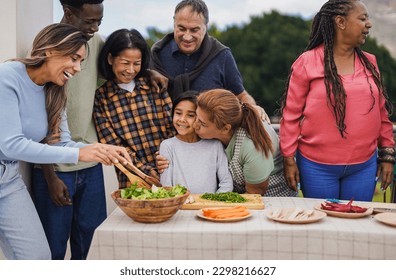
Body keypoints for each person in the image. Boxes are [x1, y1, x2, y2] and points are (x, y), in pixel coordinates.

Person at [31, 0, 168, 260]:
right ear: (69, 13)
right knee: (53, 248)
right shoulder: (46, 48)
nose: (94, 28)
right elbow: (36, 114)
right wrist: (49, 175)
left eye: (99, 22)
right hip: (54, 167)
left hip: (90, 163)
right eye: (89, 21)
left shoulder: (95, 43)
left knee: (92, 247)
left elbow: (122, 62)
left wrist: (148, 72)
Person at [0, 23, 130, 260]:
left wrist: (99, 149)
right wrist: (80, 154)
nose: (78, 68)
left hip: (7, 179)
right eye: (73, 58)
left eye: (81, 61)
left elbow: (62, 144)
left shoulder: (56, 91)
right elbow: (11, 144)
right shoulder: (7, 75)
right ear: (50, 50)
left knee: (38, 257)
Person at [279, 0, 395, 201]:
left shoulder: (371, 62)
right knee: (323, 228)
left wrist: (387, 155)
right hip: (316, 167)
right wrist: (289, 159)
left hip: (364, 166)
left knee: (357, 225)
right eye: (362, 18)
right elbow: (290, 115)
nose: (369, 24)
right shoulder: (307, 61)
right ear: (341, 22)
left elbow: (382, 113)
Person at [151, 0, 269, 121]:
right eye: (181, 28)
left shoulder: (222, 55)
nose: (187, 36)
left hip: (211, 136)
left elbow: (240, 95)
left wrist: (253, 108)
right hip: (165, 135)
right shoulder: (156, 54)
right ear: (174, 24)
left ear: (205, 28)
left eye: (194, 30)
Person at [93, 28, 176, 189]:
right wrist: (146, 171)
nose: (130, 70)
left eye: (136, 64)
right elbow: (114, 146)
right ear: (110, 59)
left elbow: (172, 128)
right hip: (133, 181)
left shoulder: (155, 86)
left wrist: (165, 161)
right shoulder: (101, 99)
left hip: (171, 172)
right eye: (125, 63)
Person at [191, 89, 297, 196]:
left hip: (271, 199)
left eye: (202, 124)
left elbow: (255, 193)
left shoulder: (252, 146)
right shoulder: (220, 129)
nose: (194, 125)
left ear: (225, 128)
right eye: (196, 116)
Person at [159, 91, 233, 194]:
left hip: (209, 206)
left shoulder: (215, 145)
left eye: (190, 115)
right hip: (181, 206)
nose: (182, 119)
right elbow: (166, 186)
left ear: (200, 118)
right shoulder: (167, 146)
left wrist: (213, 203)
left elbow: (226, 183)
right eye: (178, 113)